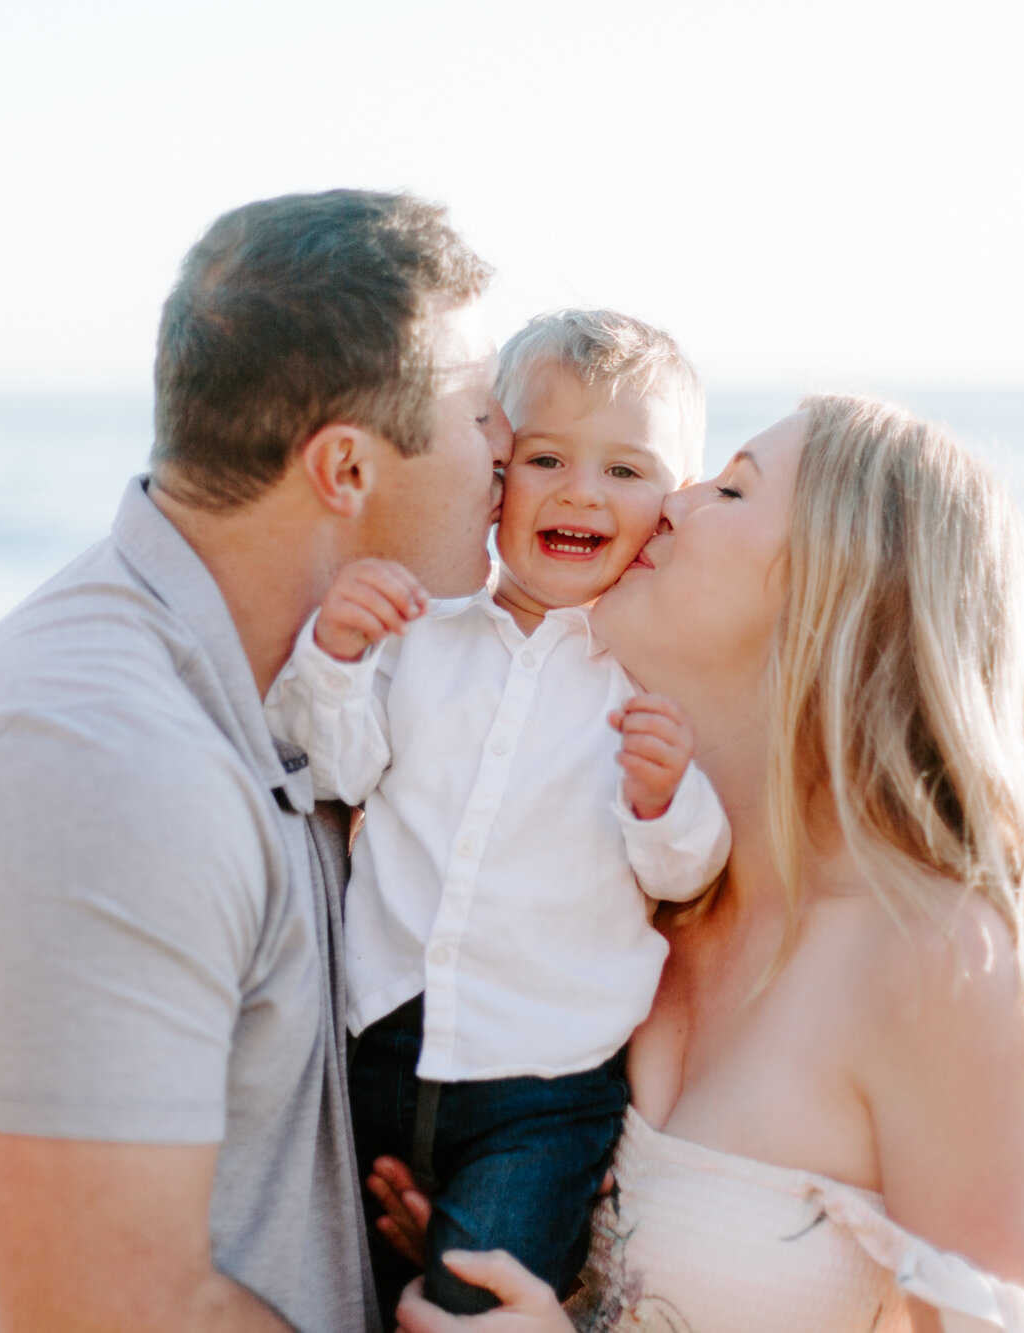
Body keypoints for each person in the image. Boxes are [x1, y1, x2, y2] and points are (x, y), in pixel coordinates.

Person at [0, 189, 509, 1333]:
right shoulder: (104, 768)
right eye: (479, 413)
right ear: (343, 469)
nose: (509, 450)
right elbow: (107, 1310)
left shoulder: (263, 696)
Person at [381, 394, 1024, 1333]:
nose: (670, 498)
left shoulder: (938, 961)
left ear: (837, 590)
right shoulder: (638, 896)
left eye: (731, 487)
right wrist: (505, 1260)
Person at [265, 309, 731, 1325]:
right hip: (377, 1047)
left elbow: (684, 873)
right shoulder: (423, 633)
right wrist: (336, 656)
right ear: (494, 475)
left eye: (624, 470)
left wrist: (663, 798)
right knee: (334, 1292)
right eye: (546, 457)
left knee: (467, 1304)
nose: (578, 490)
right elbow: (336, 765)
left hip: (543, 1084)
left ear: (673, 504)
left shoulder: (649, 681)